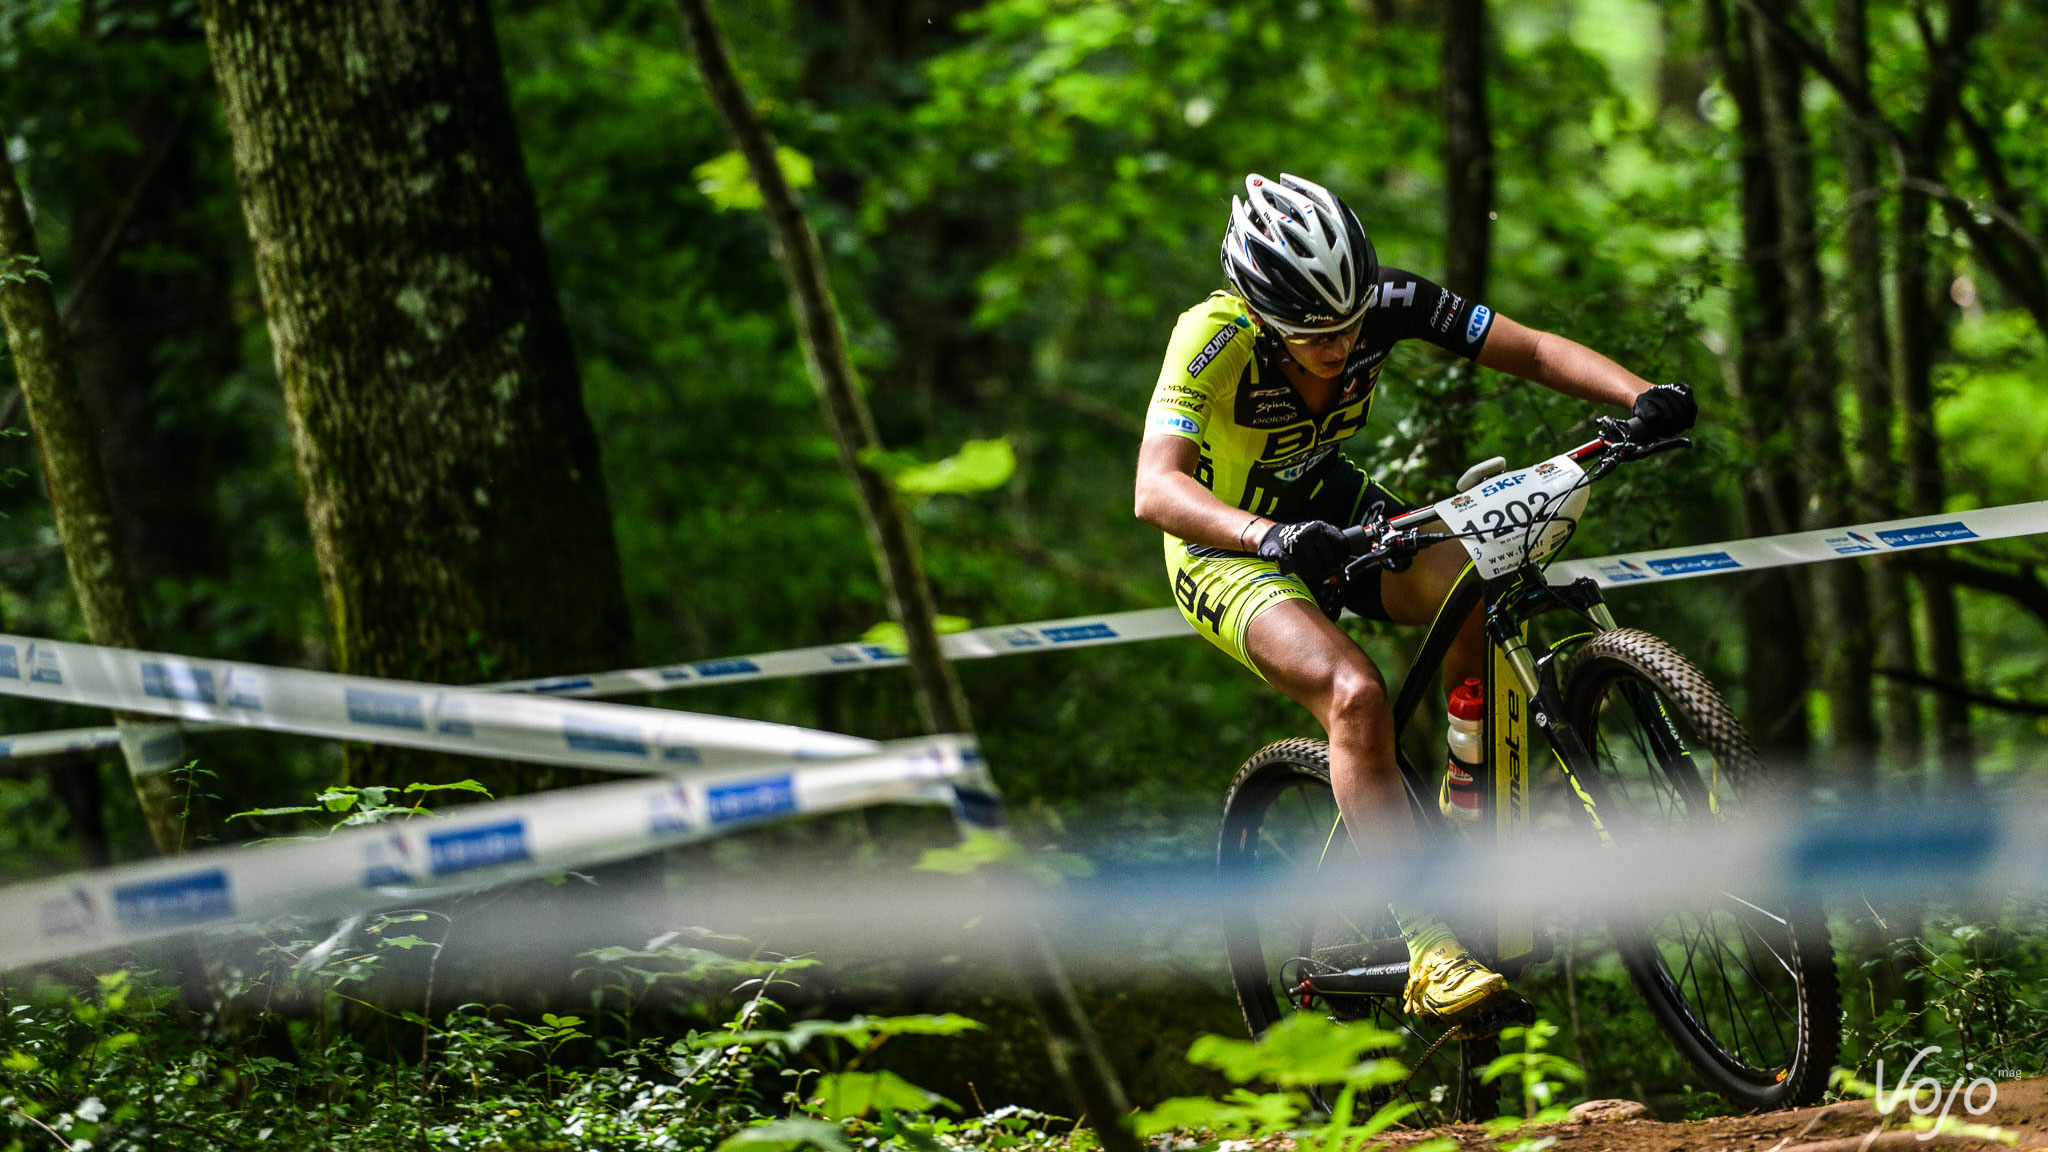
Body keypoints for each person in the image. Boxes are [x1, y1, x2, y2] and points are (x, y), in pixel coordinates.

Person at [1133, 173, 1695, 1024]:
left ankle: (1467, 786)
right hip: (1223, 541)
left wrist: (1638, 395)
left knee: (1471, 582)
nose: (1343, 343)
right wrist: (1266, 538)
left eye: (1353, 322)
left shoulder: (1388, 301)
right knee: (1355, 696)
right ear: (1258, 314)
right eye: (1315, 335)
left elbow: (1531, 350)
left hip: (1324, 502)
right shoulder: (1210, 339)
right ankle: (1430, 946)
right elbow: (1154, 489)